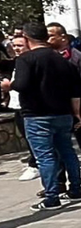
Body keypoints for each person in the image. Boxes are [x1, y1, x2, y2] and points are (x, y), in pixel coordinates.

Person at [5, 23, 81, 210]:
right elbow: (76, 89)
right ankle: (75, 189)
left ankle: (52, 197)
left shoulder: (26, 59)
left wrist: (9, 85)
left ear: (27, 38)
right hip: (62, 113)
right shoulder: (62, 59)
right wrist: (76, 113)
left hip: (37, 114)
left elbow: (22, 84)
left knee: (45, 156)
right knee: (67, 151)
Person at [47, 22, 81, 194]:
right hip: (59, 110)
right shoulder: (49, 57)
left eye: (51, 35)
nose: (47, 39)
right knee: (57, 146)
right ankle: (60, 182)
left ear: (62, 37)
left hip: (79, 110)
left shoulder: (78, 58)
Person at [4, 33, 42, 182]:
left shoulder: (31, 61)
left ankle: (35, 165)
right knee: (27, 137)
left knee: (34, 138)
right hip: (17, 105)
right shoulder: (17, 61)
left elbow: (23, 84)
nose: (16, 48)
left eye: (20, 45)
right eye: (14, 45)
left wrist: (9, 85)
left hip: (30, 107)